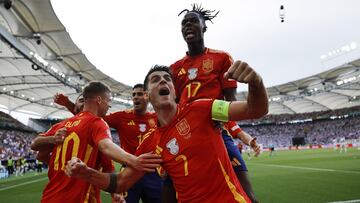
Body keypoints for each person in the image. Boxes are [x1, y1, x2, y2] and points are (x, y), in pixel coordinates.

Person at [65, 63, 268, 203]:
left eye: (167, 79)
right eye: (155, 80)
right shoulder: (150, 142)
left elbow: (255, 109)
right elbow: (121, 182)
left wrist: (256, 82)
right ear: (147, 94)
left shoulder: (204, 108)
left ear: (174, 90)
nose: (162, 82)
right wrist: (86, 173)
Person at [170, 4, 259, 202]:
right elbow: (173, 106)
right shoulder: (174, 69)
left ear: (204, 27)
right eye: (184, 23)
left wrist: (223, 122)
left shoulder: (221, 58)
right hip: (185, 135)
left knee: (248, 195)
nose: (188, 25)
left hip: (216, 131)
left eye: (193, 21)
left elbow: (231, 101)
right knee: (171, 188)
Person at [31, 81, 161, 203]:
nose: (109, 106)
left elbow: (39, 154)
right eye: (108, 101)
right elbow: (106, 147)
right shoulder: (97, 123)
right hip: (82, 197)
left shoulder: (60, 126)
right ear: (99, 100)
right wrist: (134, 161)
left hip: (49, 197)